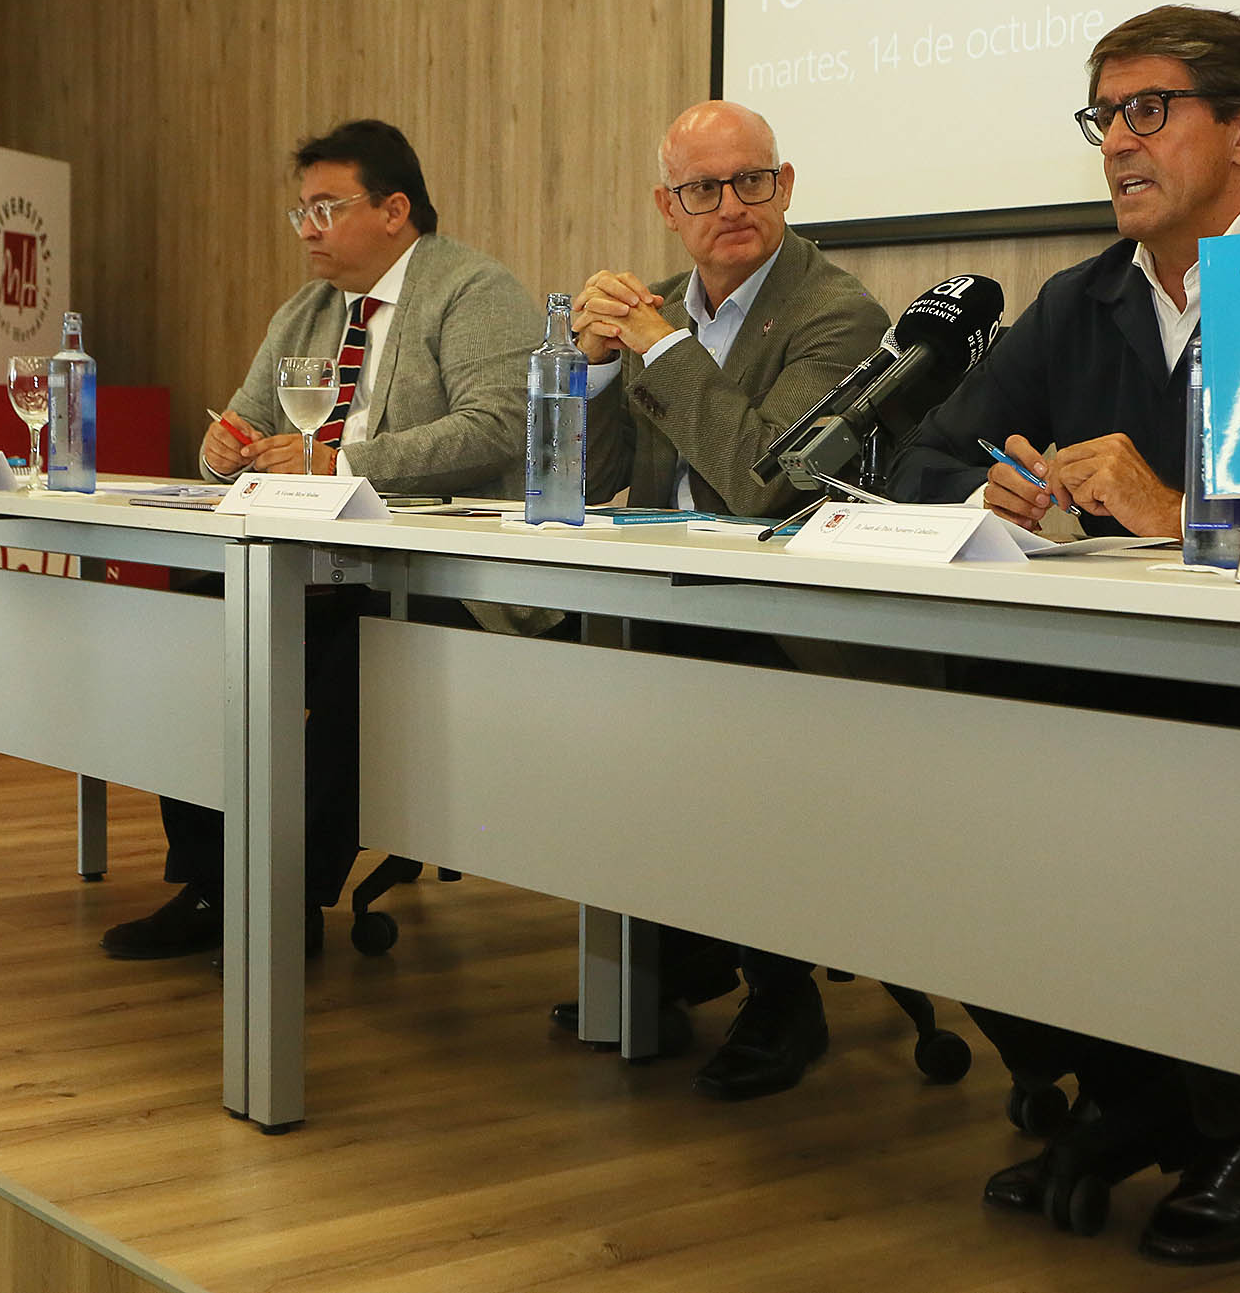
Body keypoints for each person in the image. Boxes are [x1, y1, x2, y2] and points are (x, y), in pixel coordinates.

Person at [887, 5, 1240, 1265]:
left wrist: (1183, 508)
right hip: (1122, 685)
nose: (1115, 144)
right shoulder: (1084, 297)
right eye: (1103, 117)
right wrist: (986, 488)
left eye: (1147, 109)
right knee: (934, 789)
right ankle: (1134, 1096)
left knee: (1167, 802)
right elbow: (928, 457)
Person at [100, 118, 538, 960]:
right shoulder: (306, 311)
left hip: (439, 575)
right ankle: (211, 885)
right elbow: (241, 421)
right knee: (196, 628)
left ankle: (284, 898)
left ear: (395, 209)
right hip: (322, 565)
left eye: (326, 208)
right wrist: (220, 448)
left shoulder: (473, 289)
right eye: (300, 211)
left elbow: (500, 424)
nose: (307, 229)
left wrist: (344, 461)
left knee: (357, 663)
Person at [562, 99, 892, 1100]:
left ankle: (779, 990)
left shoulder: (836, 314)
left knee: (704, 691)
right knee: (565, 666)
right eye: (703, 189)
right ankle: (670, 947)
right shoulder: (657, 306)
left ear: (784, 187)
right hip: (665, 598)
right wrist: (588, 372)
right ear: (669, 205)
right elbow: (582, 482)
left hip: (787, 622)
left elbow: (764, 478)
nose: (731, 205)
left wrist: (657, 351)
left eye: (752, 181)